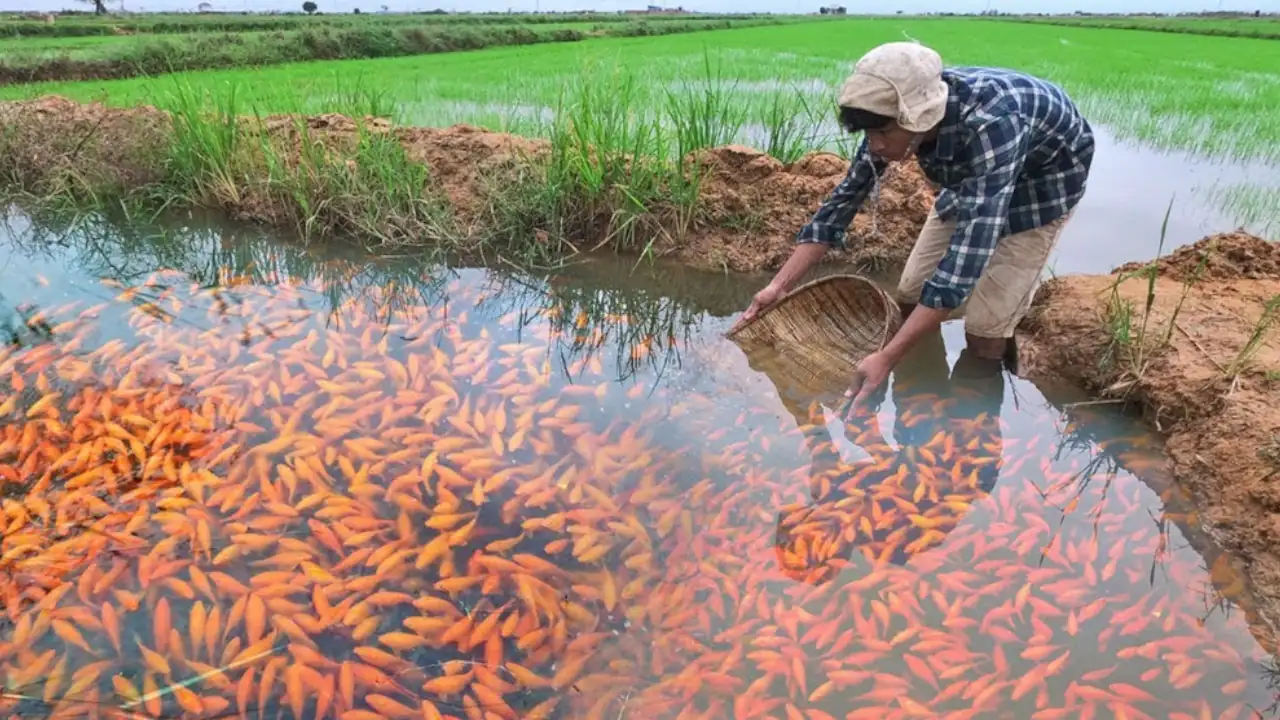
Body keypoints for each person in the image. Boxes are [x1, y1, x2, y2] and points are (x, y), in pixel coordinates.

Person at [732, 41, 1094, 412]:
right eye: (867, 134)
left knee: (985, 331)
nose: (875, 145)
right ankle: (924, 404)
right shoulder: (885, 123)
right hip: (971, 179)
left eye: (883, 134)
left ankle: (972, 428)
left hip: (1042, 186)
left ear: (918, 118)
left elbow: (960, 266)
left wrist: (886, 358)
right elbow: (841, 205)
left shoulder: (993, 123)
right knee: (910, 292)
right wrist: (778, 286)